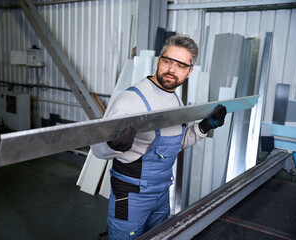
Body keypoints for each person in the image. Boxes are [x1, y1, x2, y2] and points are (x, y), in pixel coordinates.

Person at [91, 35, 227, 239]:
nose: (172, 69)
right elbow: (97, 149)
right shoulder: (130, 101)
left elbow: (173, 145)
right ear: (158, 60)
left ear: (189, 72)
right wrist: (113, 145)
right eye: (168, 61)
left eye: (181, 66)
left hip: (162, 192)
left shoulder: (174, 99)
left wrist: (203, 127)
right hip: (131, 195)